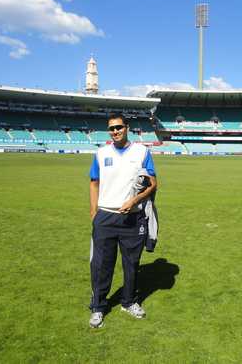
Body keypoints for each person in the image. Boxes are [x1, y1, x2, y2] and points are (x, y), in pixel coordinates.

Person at [88, 113, 157, 328]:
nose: (115, 131)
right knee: (101, 265)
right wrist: (94, 213)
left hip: (133, 218)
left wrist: (134, 200)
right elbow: (93, 182)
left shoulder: (142, 151)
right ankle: (98, 307)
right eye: (111, 128)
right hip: (105, 217)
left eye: (119, 127)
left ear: (127, 127)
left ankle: (129, 302)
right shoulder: (101, 153)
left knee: (131, 265)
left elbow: (153, 184)